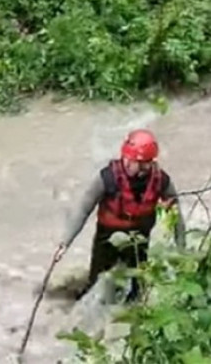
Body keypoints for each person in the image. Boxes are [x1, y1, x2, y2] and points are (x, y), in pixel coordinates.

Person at [54, 129, 186, 303]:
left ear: (147, 164)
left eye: (133, 161)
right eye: (127, 158)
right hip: (107, 237)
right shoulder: (107, 178)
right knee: (97, 284)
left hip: (139, 238)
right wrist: (65, 243)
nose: (127, 163)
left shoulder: (161, 182)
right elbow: (83, 209)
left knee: (139, 287)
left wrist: (182, 252)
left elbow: (177, 217)